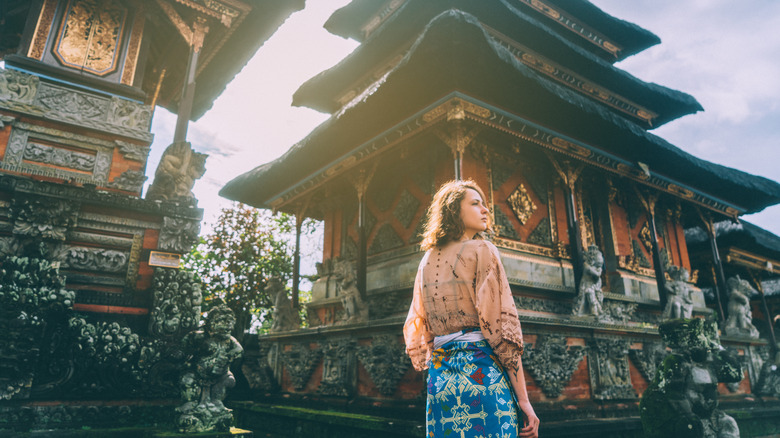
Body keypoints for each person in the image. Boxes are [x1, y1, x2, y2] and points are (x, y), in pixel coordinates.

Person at [404, 179, 540, 438]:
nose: (485, 210)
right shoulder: (482, 250)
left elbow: (422, 328)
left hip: (440, 381)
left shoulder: (426, 259)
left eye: (484, 204)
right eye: (475, 204)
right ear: (454, 210)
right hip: (481, 376)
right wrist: (524, 401)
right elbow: (501, 331)